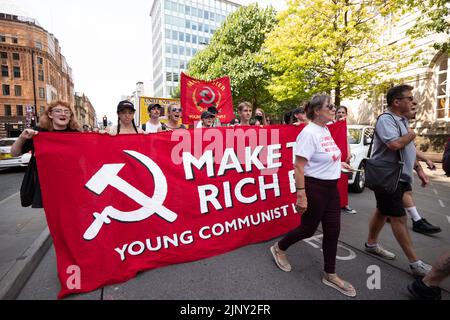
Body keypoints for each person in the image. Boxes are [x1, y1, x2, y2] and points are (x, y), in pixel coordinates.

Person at [270, 94, 357, 297]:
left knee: (333, 231)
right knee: (308, 229)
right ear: (318, 111)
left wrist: (339, 164)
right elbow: (298, 166)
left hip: (331, 189)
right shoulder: (309, 133)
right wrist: (301, 195)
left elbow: (324, 157)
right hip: (314, 188)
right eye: (330, 106)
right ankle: (279, 248)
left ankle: (330, 273)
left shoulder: (324, 129)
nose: (334, 108)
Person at [364, 84, 432, 277]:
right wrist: (412, 133)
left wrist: (419, 167)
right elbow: (395, 144)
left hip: (399, 176)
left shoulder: (401, 120)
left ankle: (371, 244)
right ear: (396, 102)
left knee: (382, 211)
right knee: (399, 217)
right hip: (389, 176)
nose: (414, 101)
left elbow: (407, 148)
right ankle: (415, 263)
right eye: (409, 98)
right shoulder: (387, 119)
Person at [11, 100, 79, 208]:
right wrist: (22, 137)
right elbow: (14, 153)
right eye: (58, 111)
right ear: (50, 114)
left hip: (70, 183)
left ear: (70, 116)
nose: (63, 114)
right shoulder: (38, 133)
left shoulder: (76, 135)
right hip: (47, 185)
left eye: (67, 111)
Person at [402, 105, 441, 234]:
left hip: (401, 169)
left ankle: (416, 220)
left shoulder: (404, 124)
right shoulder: (396, 123)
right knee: (405, 193)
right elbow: (401, 146)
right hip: (393, 171)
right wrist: (421, 166)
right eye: (412, 107)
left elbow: (411, 149)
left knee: (402, 196)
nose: (415, 110)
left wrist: (424, 162)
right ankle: (417, 221)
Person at [333, 105, 357, 214]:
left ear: (346, 114)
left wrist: (349, 152)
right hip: (333, 156)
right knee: (334, 181)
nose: (341, 114)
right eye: (339, 112)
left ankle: (344, 203)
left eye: (343, 112)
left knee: (343, 180)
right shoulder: (331, 124)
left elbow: (346, 140)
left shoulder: (344, 126)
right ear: (336, 113)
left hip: (343, 156)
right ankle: (334, 204)